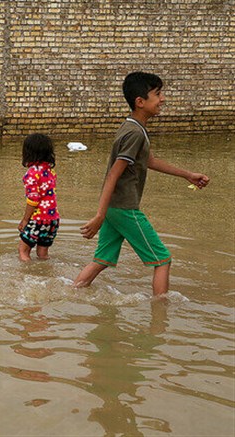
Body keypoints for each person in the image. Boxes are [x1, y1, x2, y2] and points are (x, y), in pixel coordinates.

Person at [73, 72, 210, 296]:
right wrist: (99, 216)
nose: (162, 99)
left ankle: (72, 292)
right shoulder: (134, 133)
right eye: (157, 94)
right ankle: (160, 318)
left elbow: (149, 161)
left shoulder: (133, 128)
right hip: (124, 208)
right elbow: (112, 176)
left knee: (102, 259)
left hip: (114, 208)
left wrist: (188, 174)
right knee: (162, 259)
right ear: (140, 102)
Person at [18, 133, 59, 261]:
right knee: (43, 254)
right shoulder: (50, 171)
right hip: (53, 219)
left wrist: (25, 220)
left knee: (23, 251)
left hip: (37, 219)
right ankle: (44, 275)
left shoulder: (32, 173)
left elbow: (33, 199)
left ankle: (29, 276)